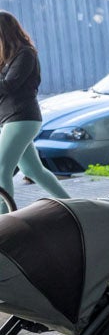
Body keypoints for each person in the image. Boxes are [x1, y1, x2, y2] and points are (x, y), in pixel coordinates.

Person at [0, 12, 70, 209]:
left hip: (21, 119)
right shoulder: (8, 57)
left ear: (5, 32)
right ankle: (75, 204)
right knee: (34, 171)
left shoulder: (25, 54)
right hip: (13, 120)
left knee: (2, 170)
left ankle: (5, 219)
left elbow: (9, 85)